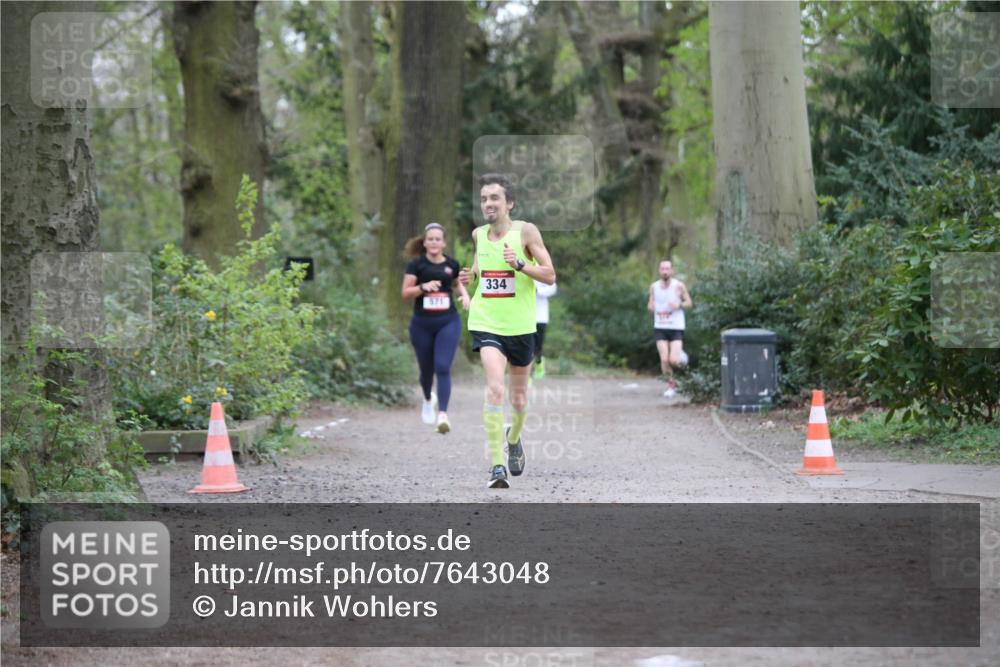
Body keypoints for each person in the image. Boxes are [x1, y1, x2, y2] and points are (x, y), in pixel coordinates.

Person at [459, 174, 556, 489]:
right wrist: (470, 276)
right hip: (486, 322)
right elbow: (480, 268)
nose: (488, 203)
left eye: (494, 198)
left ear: (509, 203)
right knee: (495, 390)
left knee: (518, 398)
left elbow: (550, 275)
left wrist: (521, 265)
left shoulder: (526, 232)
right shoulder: (478, 234)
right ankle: (497, 466)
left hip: (521, 327)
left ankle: (513, 438)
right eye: (484, 198)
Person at [401, 223, 471, 433]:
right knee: (426, 370)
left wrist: (465, 296)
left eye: (437, 239)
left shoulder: (451, 264)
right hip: (422, 324)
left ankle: (443, 415)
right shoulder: (416, 265)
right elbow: (405, 293)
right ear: (424, 242)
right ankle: (427, 399)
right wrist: (423, 287)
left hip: (448, 321)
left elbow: (456, 284)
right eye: (430, 239)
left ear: (443, 243)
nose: (434, 242)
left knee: (442, 366)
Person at [648, 259, 692, 398]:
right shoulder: (654, 287)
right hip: (660, 326)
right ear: (659, 271)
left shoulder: (679, 286)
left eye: (667, 269)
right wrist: (651, 307)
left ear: (672, 270)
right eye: (662, 269)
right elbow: (650, 304)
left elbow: (689, 302)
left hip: (675, 326)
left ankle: (682, 357)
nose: (665, 271)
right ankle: (671, 385)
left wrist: (679, 305)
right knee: (664, 359)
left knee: (674, 360)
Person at [533, 279, 557, 379]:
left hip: (541, 317)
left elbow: (553, 288)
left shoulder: (543, 271)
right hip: (525, 318)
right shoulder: (521, 270)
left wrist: (537, 290)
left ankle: (539, 364)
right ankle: (527, 376)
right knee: (527, 347)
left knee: (538, 346)